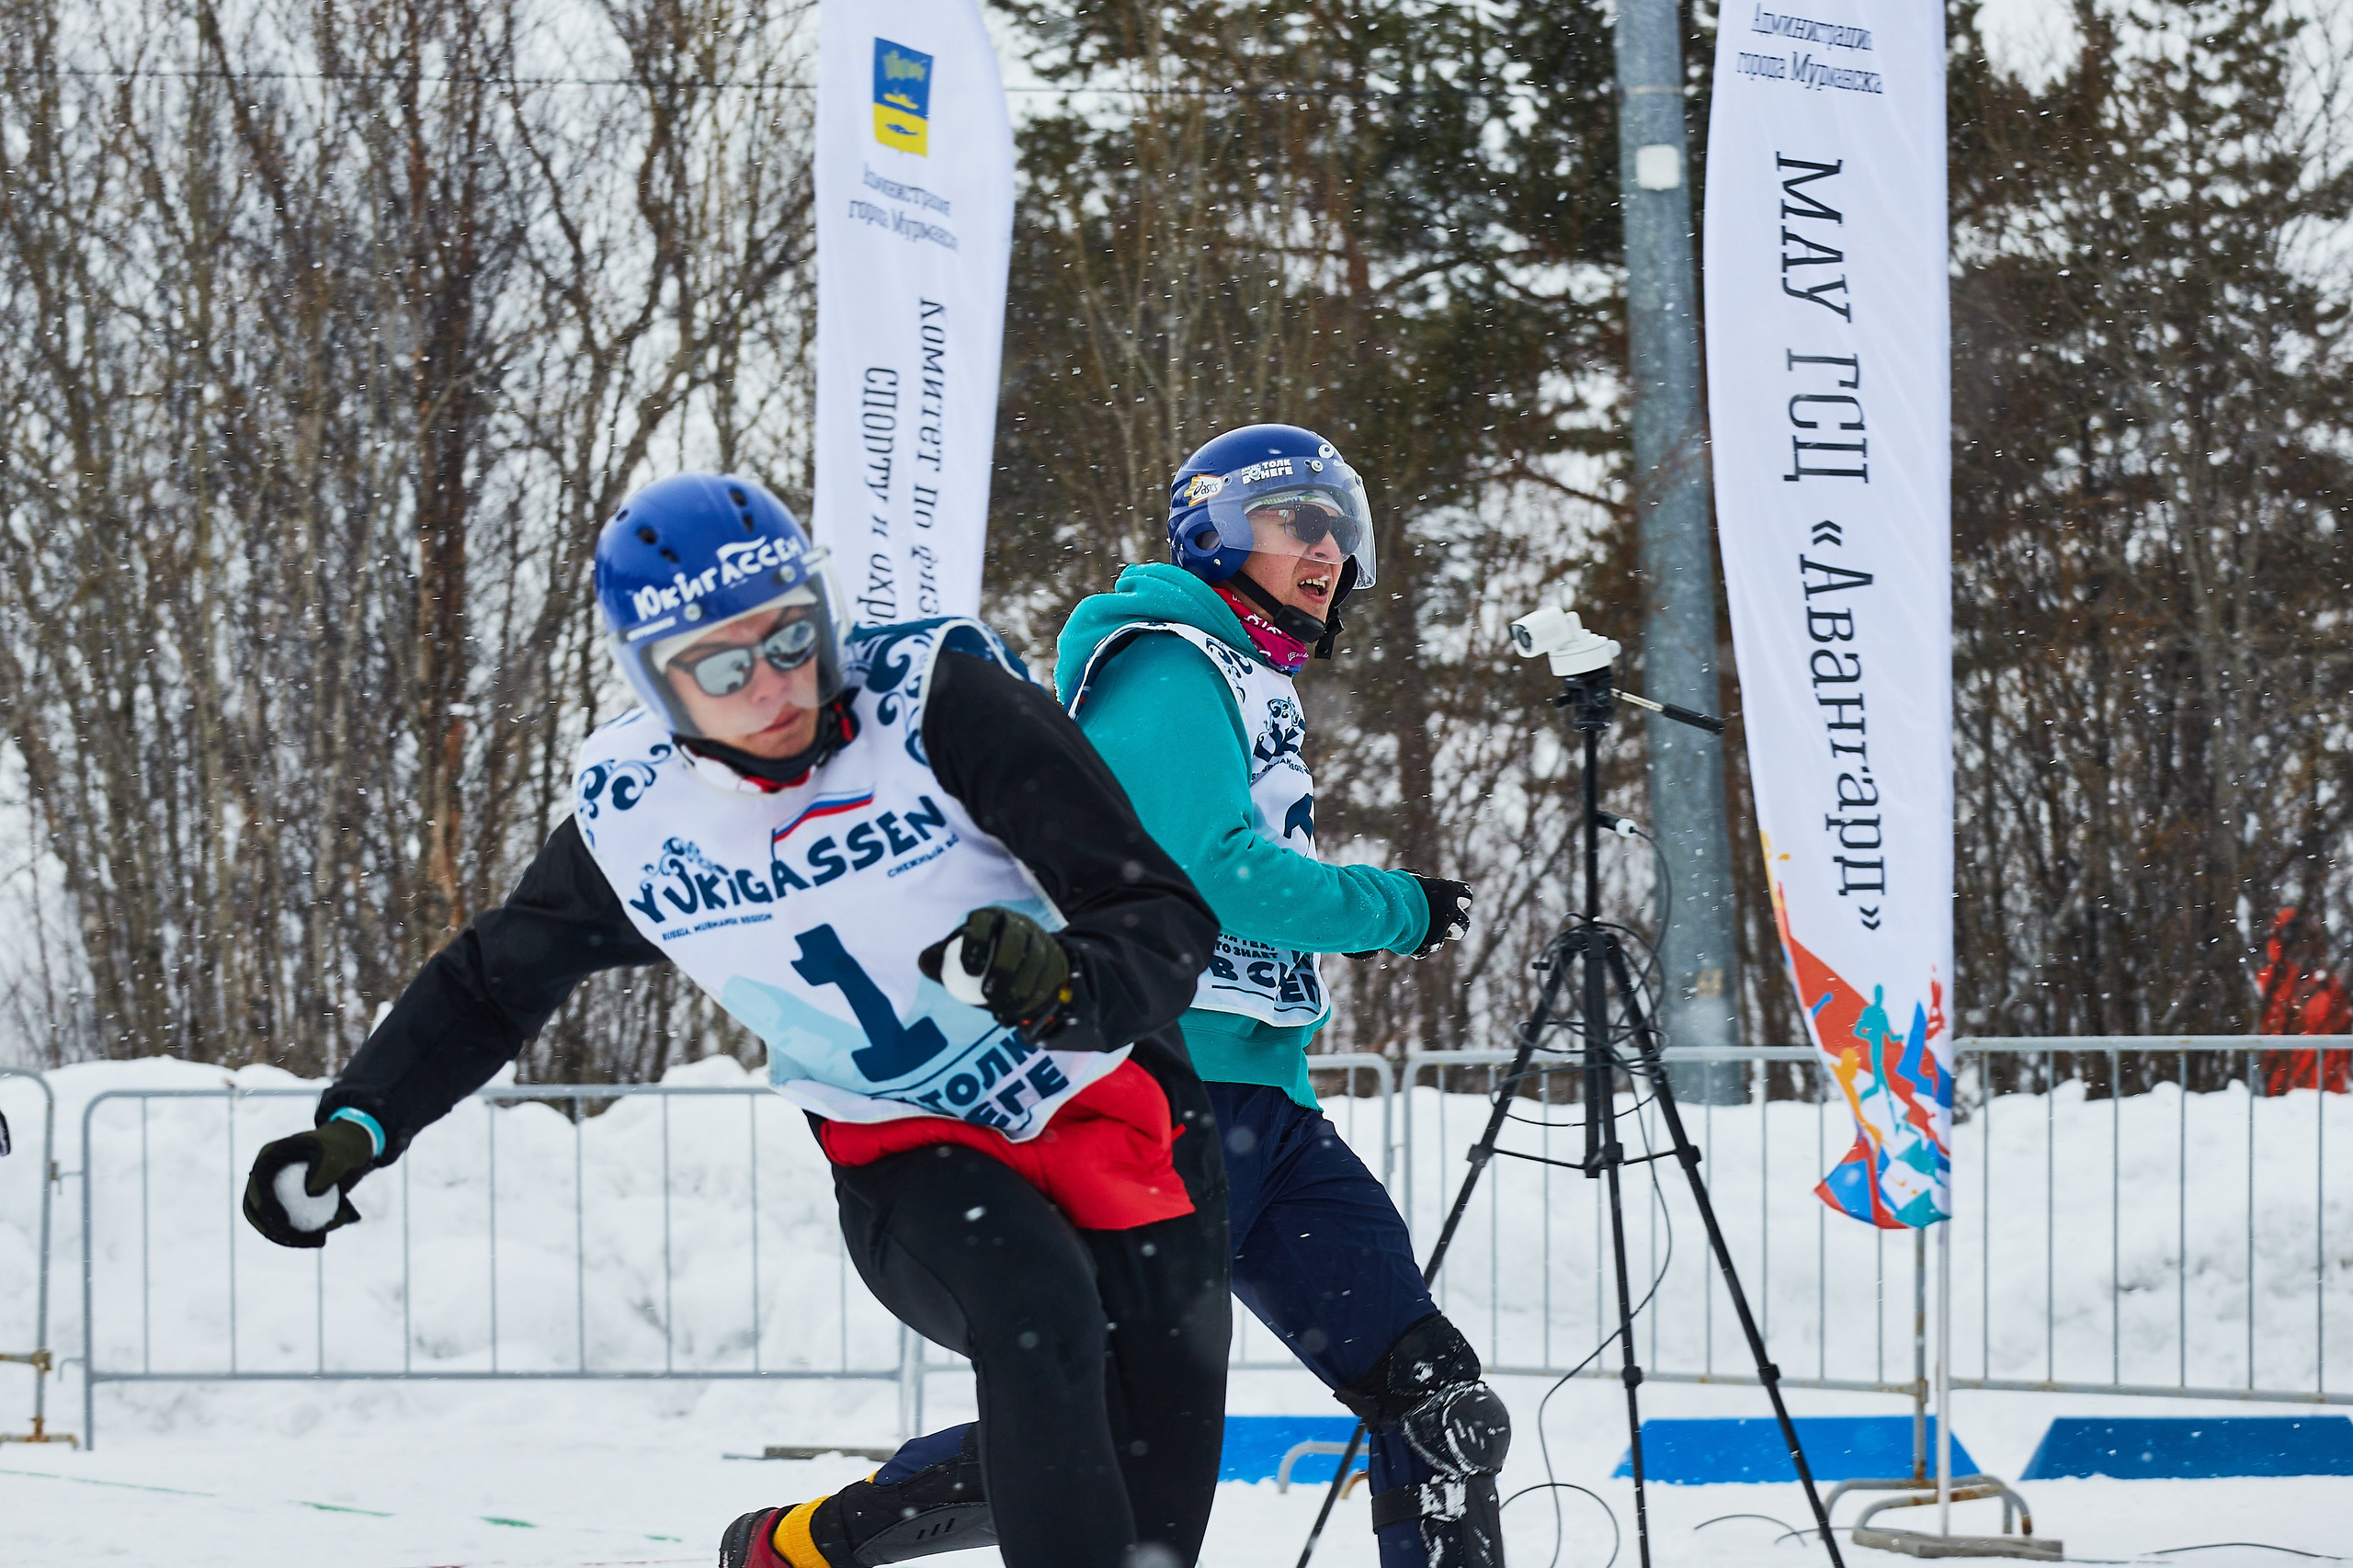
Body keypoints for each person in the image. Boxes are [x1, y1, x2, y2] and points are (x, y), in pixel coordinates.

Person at [236, 473, 1231, 1568]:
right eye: (718, 664)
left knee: (1143, 1483)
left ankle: (807, 1546)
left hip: (1118, 1112)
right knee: (1039, 1316)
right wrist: (359, 1124)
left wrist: (1066, 981)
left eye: (792, 636)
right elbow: (492, 980)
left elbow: (1158, 909)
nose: (772, 686)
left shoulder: (941, 710)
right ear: (654, 684)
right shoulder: (642, 819)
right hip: (911, 1147)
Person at [771, 426, 1509, 1568]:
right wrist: (1394, 906)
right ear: (1216, 530)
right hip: (1165, 1101)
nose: (1326, 550)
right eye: (1295, 521)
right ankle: (805, 1547)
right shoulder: (1168, 663)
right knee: (1094, 1430)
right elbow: (1209, 869)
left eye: (1337, 527)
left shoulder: (1248, 676)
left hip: (1268, 1109)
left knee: (1438, 1404)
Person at [2257, 908, 2352, 1095]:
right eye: (2295, 939)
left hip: (2322, 1081)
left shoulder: (2326, 984)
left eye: (2305, 939)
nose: (2301, 946)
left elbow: (2339, 1023)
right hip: (2285, 1080)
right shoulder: (2271, 983)